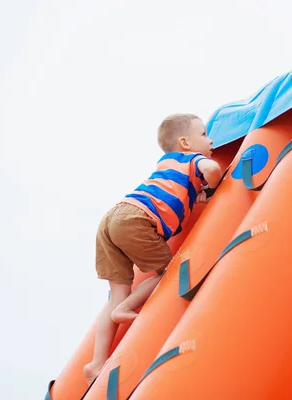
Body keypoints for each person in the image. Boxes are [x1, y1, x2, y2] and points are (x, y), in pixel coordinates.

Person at [83, 113, 222, 384]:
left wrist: (198, 193)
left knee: (116, 293)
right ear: (185, 142)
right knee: (167, 274)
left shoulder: (168, 165)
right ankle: (125, 309)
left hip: (113, 218)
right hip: (138, 219)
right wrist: (214, 189)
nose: (211, 140)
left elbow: (180, 191)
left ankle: (96, 363)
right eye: (204, 135)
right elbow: (213, 170)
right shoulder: (192, 159)